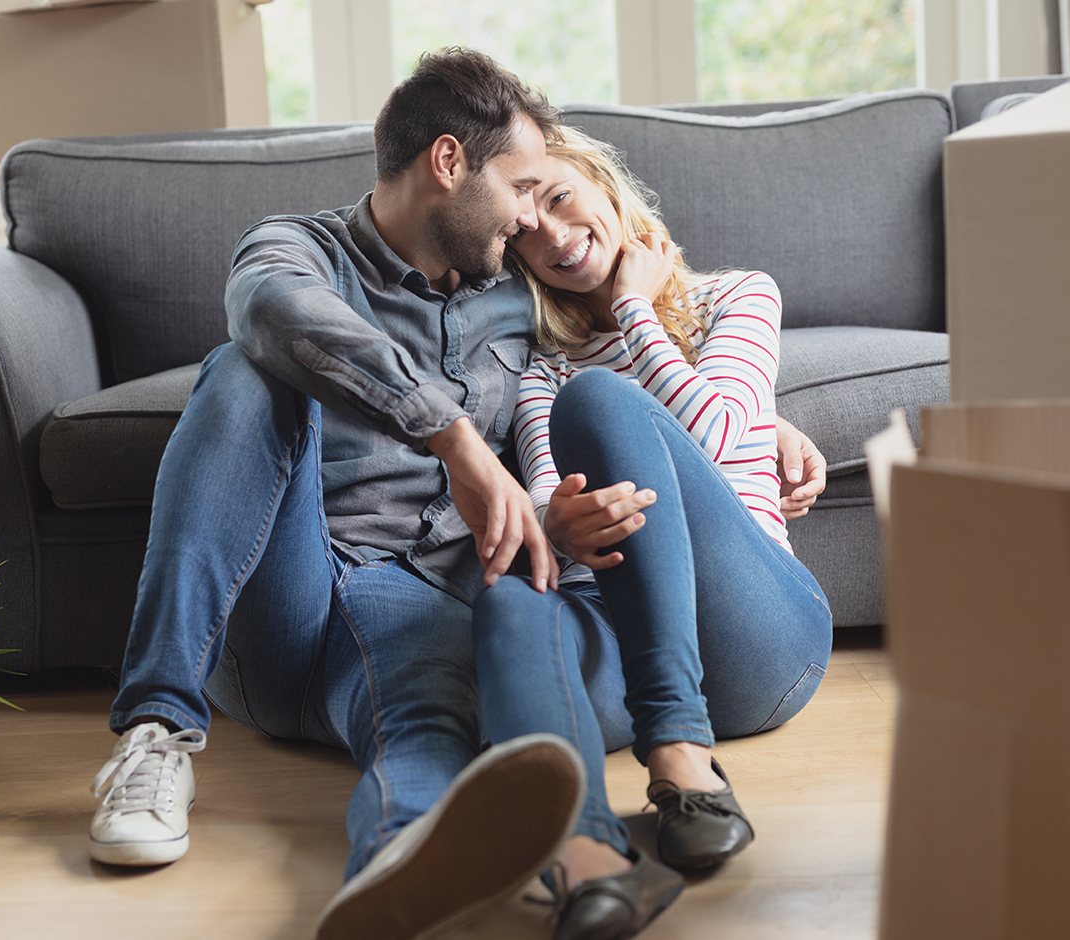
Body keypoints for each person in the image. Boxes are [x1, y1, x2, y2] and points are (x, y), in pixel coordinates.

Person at [84, 50, 828, 940]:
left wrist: (764, 425)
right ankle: (157, 732)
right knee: (245, 372)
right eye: (519, 188)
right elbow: (273, 308)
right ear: (448, 164)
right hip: (301, 595)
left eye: (541, 198)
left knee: (430, 720)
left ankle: (398, 870)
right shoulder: (298, 251)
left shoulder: (516, 292)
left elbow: (618, 365)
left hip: (433, 603)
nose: (528, 221)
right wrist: (453, 436)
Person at [469, 124, 836, 930]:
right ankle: (581, 852)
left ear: (606, 187)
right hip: (626, 652)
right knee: (506, 600)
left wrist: (635, 307)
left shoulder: (737, 295)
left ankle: (678, 753)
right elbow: (539, 514)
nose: (557, 238)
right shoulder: (544, 370)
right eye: (527, 234)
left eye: (562, 199)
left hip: (759, 643)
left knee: (600, 401)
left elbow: (712, 428)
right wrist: (551, 522)